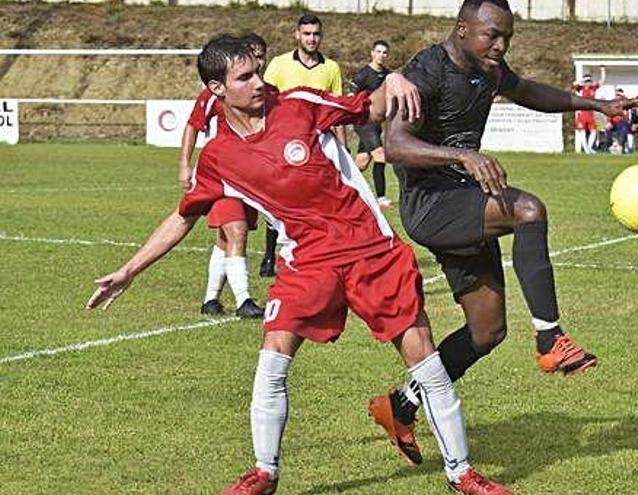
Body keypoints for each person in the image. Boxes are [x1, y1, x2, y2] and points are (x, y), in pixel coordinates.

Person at [87, 34, 511, 495]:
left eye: (257, 71)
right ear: (216, 90)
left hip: (371, 249)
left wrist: (393, 78)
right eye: (244, 77)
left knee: (424, 363)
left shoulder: (298, 104)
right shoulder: (219, 158)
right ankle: (264, 473)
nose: (258, 82)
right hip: (307, 261)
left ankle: (461, 473)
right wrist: (130, 269)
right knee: (272, 361)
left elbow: (365, 106)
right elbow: (183, 216)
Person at [368, 0, 638, 467]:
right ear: (462, 29)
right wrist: (465, 158)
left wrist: (596, 105)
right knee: (528, 210)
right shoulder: (428, 69)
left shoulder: (488, 67)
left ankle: (399, 405)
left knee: (486, 331)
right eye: (492, 35)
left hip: (463, 202)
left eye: (507, 38)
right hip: (431, 205)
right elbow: (394, 145)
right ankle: (551, 339)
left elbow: (527, 90)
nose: (500, 45)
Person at [176, 32, 267, 318]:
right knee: (236, 231)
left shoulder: (262, 96)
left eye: (260, 58)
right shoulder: (214, 96)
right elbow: (193, 126)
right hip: (222, 178)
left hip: (249, 180)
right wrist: (185, 164)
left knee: (226, 239)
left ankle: (210, 299)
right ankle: (244, 301)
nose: (257, 65)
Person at [260, 13, 346, 277]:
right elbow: (265, 103)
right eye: (307, 34)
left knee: (318, 201)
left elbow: (337, 110)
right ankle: (269, 255)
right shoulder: (279, 64)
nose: (312, 39)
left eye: (316, 34)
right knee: (280, 199)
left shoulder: (331, 68)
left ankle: (317, 253)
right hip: (284, 142)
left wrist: (343, 150)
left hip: (319, 144)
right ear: (297, 35)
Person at [350, 40, 393, 209]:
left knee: (361, 163)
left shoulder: (388, 75)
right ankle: (381, 198)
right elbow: (351, 98)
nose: (381, 55)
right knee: (380, 156)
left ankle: (338, 186)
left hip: (375, 125)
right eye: (378, 51)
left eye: (384, 52)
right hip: (363, 123)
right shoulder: (363, 75)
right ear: (372, 53)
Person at [571, 65, 605, 154]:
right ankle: (586, 149)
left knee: (593, 130)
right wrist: (582, 80)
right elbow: (574, 84)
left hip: (590, 113)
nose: (588, 83)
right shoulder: (580, 89)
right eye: (587, 81)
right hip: (582, 113)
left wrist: (602, 70)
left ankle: (589, 147)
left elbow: (602, 81)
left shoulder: (593, 88)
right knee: (582, 131)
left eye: (589, 81)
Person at [603, 87, 632, 153]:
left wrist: (623, 95)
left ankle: (620, 146)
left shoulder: (625, 102)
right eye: (617, 95)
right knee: (608, 128)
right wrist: (609, 122)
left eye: (619, 95)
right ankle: (609, 146)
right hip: (613, 122)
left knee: (623, 128)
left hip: (622, 122)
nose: (618, 96)